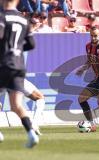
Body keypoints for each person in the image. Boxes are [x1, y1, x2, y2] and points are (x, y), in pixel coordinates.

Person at [0, 0, 39, 148]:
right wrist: (17, 48)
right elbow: (32, 44)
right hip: (19, 65)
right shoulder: (24, 19)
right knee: (16, 105)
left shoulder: (2, 16)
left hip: (3, 63)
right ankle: (31, 134)